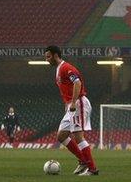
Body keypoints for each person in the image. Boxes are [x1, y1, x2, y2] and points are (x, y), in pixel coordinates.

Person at [45, 45, 98, 176]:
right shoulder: (59, 69)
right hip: (70, 105)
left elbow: (77, 83)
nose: (47, 60)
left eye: (48, 56)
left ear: (55, 55)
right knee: (61, 136)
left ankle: (92, 169)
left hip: (78, 103)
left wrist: (73, 102)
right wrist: (68, 105)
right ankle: (83, 161)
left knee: (78, 137)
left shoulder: (66, 67)